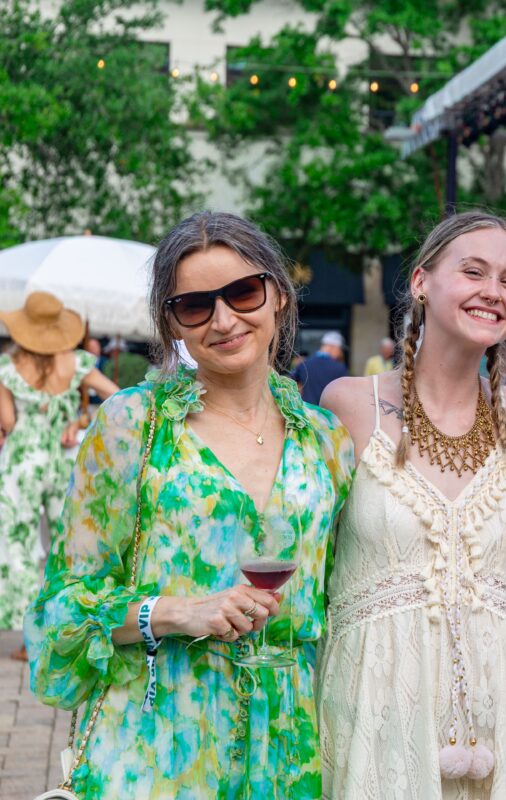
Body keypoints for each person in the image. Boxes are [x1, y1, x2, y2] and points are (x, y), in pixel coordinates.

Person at [24, 211, 355, 798]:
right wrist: (178, 612)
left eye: (243, 292)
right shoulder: (133, 424)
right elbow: (62, 612)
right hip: (161, 746)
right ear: (171, 320)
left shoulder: (326, 439)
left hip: (290, 751)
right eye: (195, 305)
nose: (224, 320)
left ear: (277, 294)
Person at [318, 211, 506, 799]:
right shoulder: (348, 404)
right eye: (474, 271)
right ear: (421, 282)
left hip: (500, 709)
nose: (493, 292)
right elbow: (303, 553)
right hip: (376, 701)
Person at [0, 293, 118, 656]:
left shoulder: (7, 367)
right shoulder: (79, 362)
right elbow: (117, 398)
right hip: (65, 461)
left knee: (17, 546)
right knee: (67, 546)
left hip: (22, 462)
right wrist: (81, 419)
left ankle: (27, 636)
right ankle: (63, 629)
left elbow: (7, 422)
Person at [292, 330, 348, 404]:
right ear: (333, 347)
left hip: (306, 412)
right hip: (328, 413)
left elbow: (292, 385)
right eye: (340, 350)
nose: (340, 353)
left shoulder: (304, 364)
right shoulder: (339, 368)